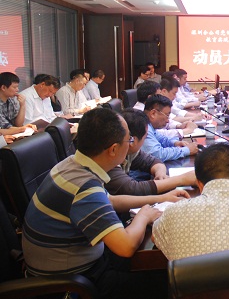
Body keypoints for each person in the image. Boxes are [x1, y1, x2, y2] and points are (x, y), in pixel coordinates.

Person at [21, 108, 189, 299]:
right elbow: (126, 247)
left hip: (76, 266)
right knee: (169, 281)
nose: (131, 145)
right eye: (129, 140)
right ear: (113, 149)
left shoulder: (71, 164)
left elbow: (111, 200)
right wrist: (143, 216)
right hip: (71, 284)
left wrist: (160, 199)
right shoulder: (84, 187)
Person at [105, 109, 197, 195]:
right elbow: (132, 189)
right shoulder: (112, 159)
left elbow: (152, 161)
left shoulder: (129, 151)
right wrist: (182, 179)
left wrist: (160, 173)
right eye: (145, 138)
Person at [141, 94, 199, 162]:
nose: (168, 121)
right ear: (153, 113)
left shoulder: (149, 125)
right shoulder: (142, 126)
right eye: (167, 115)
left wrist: (175, 143)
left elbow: (161, 139)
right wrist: (186, 150)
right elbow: (158, 154)